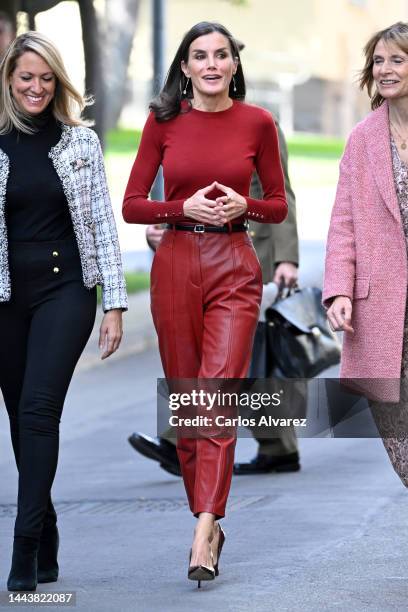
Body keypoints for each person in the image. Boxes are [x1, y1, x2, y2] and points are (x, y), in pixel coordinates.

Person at [123, 21, 286, 585]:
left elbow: (279, 206)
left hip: (236, 266)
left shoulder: (258, 122)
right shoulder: (163, 122)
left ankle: (204, 527)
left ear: (234, 65)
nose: (213, 64)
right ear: (186, 68)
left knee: (216, 395)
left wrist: (247, 202)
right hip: (174, 265)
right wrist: (181, 209)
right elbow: (133, 205)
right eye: (201, 56)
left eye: (222, 55)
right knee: (190, 403)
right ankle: (207, 517)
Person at [0, 32, 128, 592]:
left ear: (59, 83)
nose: (36, 87)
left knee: (37, 412)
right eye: (26, 77)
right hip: (5, 296)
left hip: (66, 289)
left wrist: (115, 303)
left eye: (46, 78)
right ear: (8, 80)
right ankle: (45, 527)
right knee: (17, 419)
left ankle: (23, 550)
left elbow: (102, 222)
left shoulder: (81, 144)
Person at [129, 119, 301, 476]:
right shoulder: (186, 125)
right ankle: (188, 442)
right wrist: (166, 232)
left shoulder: (259, 123)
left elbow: (281, 193)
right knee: (228, 359)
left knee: (250, 359)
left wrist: (287, 258)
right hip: (200, 256)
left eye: (221, 58)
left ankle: (190, 443)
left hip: (253, 254)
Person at [323, 21, 408, 486]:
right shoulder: (362, 140)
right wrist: (339, 291)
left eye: (397, 59)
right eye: (379, 60)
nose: (385, 69)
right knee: (400, 445)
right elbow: (343, 222)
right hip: (383, 311)